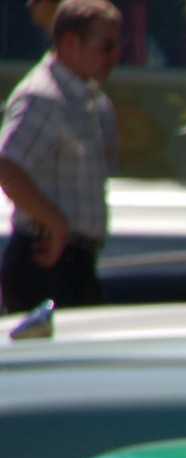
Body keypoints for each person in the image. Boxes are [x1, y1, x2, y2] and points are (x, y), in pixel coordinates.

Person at [0, 0, 120, 313]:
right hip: (45, 261)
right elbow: (6, 164)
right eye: (106, 46)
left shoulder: (90, 100)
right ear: (70, 42)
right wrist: (55, 223)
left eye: (118, 45)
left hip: (75, 263)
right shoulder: (44, 96)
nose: (115, 56)